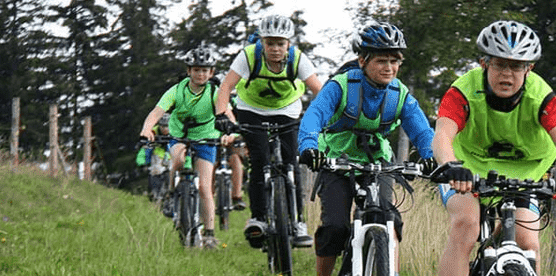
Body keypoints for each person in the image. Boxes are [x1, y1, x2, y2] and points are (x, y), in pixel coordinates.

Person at [432, 20, 556, 276]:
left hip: (525, 174)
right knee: (465, 225)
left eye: (516, 66)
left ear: (529, 68)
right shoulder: (463, 91)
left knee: (529, 243)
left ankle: (501, 242)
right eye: (499, 64)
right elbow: (442, 135)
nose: (507, 74)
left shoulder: (541, 95)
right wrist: (450, 165)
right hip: (466, 169)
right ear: (484, 63)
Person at [298, 21, 435, 276]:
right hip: (337, 160)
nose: (389, 68)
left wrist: (431, 156)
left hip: (378, 161)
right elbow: (314, 115)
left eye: (395, 61)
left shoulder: (399, 93)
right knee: (335, 227)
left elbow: (422, 130)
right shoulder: (341, 85)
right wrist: (309, 147)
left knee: (389, 219)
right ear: (362, 61)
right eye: (382, 61)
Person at [213, 14, 324, 248]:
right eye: (270, 43)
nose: (275, 49)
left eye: (280, 43)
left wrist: (320, 119)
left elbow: (320, 92)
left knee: (291, 164)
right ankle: (259, 218)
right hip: (251, 109)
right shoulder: (248, 56)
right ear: (261, 42)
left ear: (288, 44)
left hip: (287, 110)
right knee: (260, 160)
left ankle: (298, 222)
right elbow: (226, 87)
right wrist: (222, 115)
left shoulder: (298, 60)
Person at [139, 48, 234, 249]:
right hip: (179, 134)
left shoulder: (215, 92)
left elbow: (228, 115)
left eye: (205, 70)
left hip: (207, 137)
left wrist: (229, 133)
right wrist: (147, 129)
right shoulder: (177, 90)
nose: (201, 74)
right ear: (189, 71)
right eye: (197, 70)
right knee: (178, 160)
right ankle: (172, 195)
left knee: (205, 187)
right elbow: (156, 112)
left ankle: (209, 234)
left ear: (211, 73)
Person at [137, 113, 171, 202]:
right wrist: (142, 162)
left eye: (167, 126)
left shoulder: (177, 131)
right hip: (158, 154)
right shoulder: (153, 132)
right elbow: (145, 149)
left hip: (172, 154)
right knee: (155, 170)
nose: (164, 129)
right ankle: (155, 194)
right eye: (162, 126)